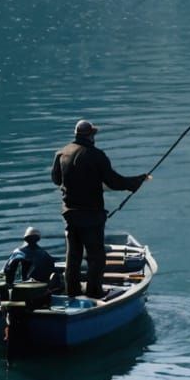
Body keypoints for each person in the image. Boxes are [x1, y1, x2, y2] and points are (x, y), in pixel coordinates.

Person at [51, 119, 150, 300]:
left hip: (69, 214)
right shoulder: (97, 156)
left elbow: (57, 180)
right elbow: (114, 182)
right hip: (91, 215)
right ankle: (94, 291)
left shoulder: (61, 153)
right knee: (96, 257)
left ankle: (71, 291)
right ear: (91, 136)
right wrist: (135, 182)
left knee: (73, 256)